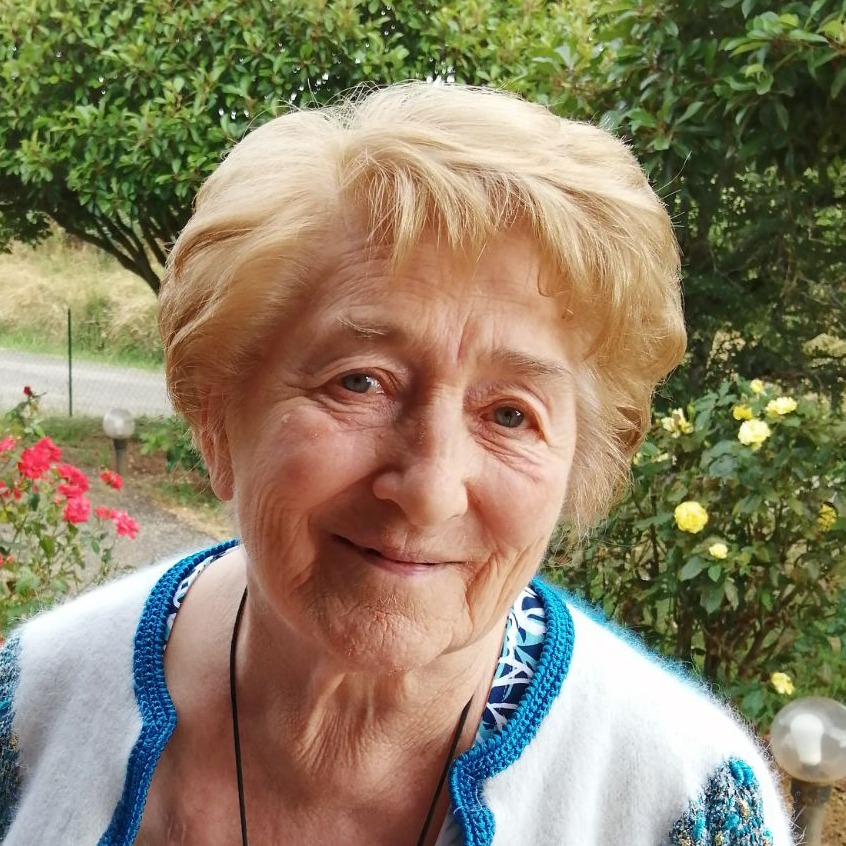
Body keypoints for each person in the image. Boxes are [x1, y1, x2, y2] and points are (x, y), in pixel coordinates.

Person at [0, 82, 792, 846]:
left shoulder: (682, 801)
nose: (430, 491)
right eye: (360, 382)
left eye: (510, 414)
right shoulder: (33, 702)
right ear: (217, 417)